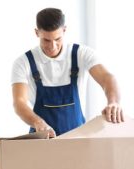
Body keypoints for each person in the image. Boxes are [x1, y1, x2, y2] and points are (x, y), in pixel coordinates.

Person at [11, 7, 124, 137]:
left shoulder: (82, 54)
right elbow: (19, 102)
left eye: (57, 39)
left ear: (64, 30)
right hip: (41, 140)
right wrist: (37, 122)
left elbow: (106, 78)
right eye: (46, 40)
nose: (52, 46)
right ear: (37, 33)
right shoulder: (23, 62)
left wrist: (113, 102)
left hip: (78, 138)